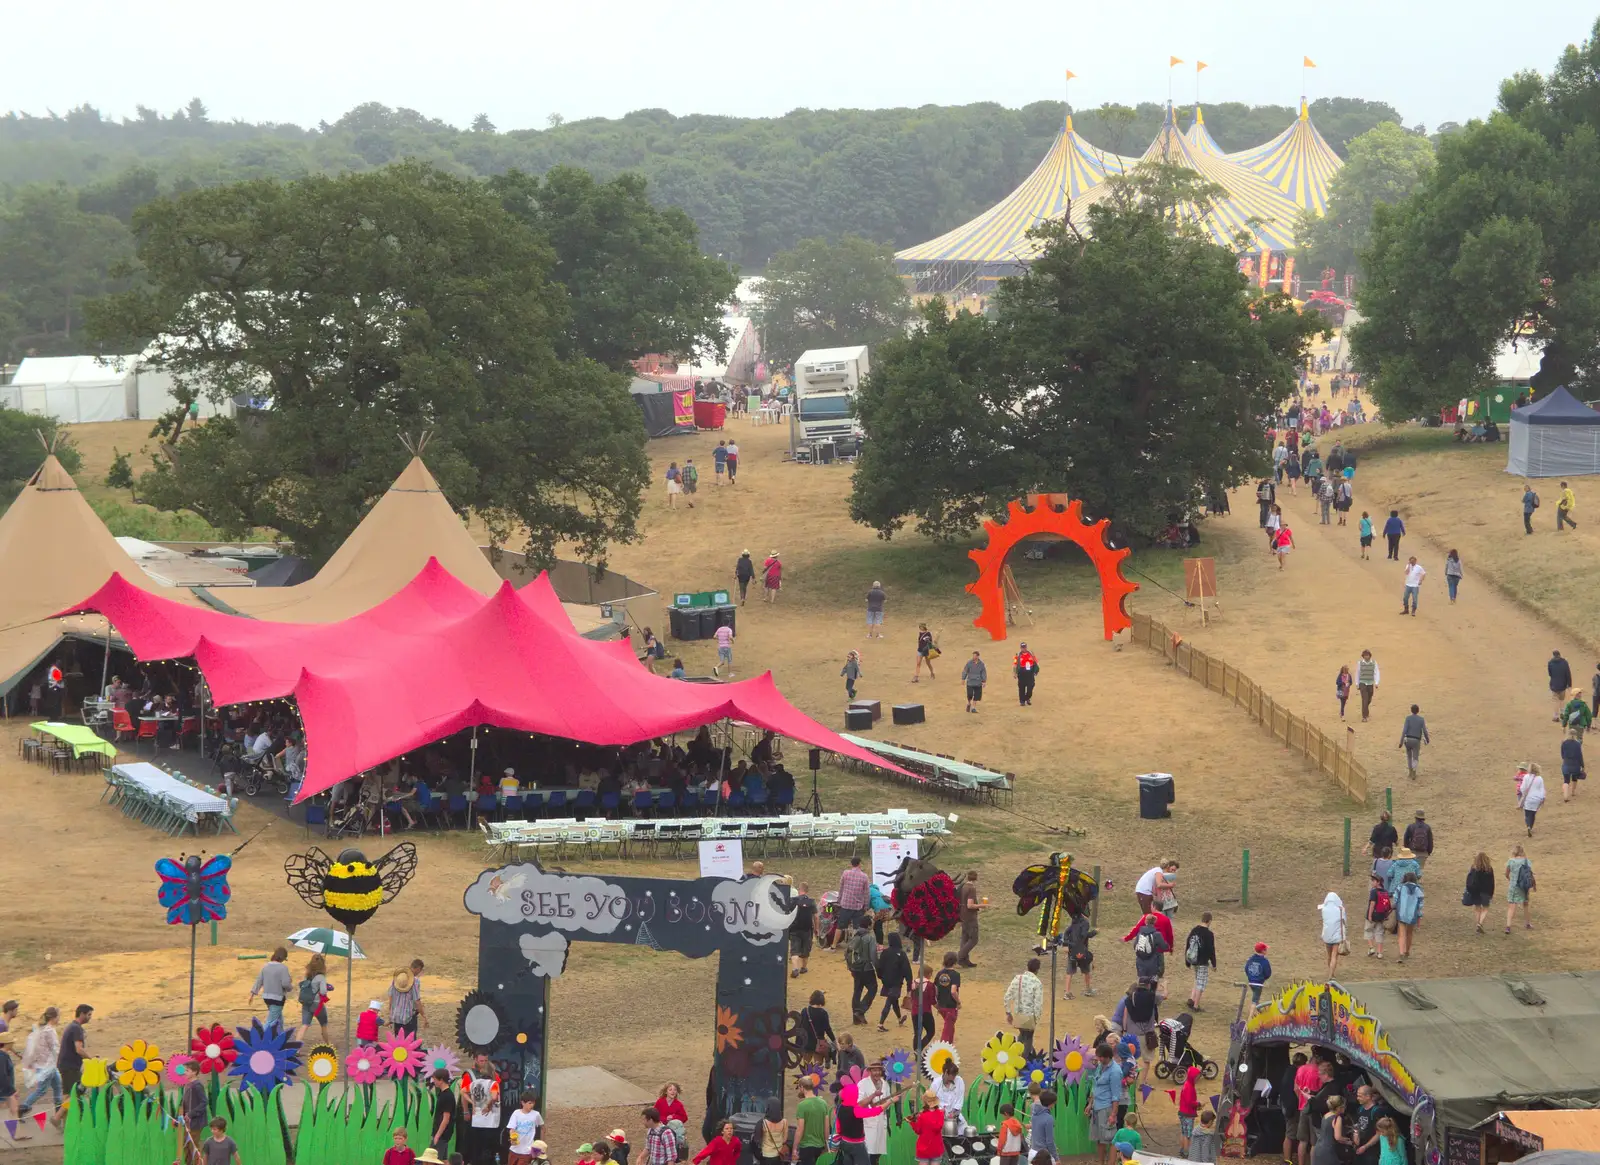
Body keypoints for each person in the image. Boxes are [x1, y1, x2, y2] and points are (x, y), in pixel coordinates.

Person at [1085, 1044, 1127, 1165]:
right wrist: (1090, 1104)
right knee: (1099, 1138)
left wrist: (1113, 1114)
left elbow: (1116, 1095)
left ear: (1107, 1056)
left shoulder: (1115, 1071)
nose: (1099, 1059)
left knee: (1110, 1138)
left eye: (1101, 1057)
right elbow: (1095, 1085)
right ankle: (1101, 1162)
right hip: (1096, 1106)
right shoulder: (1100, 1066)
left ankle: (1111, 1162)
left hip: (1107, 1108)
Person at [18, 1006, 61, 1117]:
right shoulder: (50, 1030)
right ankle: (23, 1108)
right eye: (58, 1016)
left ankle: (59, 1111)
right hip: (47, 1066)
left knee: (57, 1086)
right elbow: (55, 1048)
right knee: (42, 1090)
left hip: (45, 1065)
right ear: (53, 1017)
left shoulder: (41, 1029)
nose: (59, 1019)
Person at [460, 1053, 503, 1165]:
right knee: (488, 1148)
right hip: (490, 1121)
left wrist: (472, 1102)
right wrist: (488, 1105)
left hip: (477, 1120)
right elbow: (494, 1097)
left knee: (476, 1148)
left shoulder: (474, 1083)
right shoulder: (493, 1084)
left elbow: (463, 1091)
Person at [1003, 957, 1045, 1057]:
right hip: (1029, 1015)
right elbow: (1038, 1003)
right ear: (1037, 969)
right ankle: (1024, 1061)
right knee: (1028, 1038)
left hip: (1018, 1014)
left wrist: (1008, 1012)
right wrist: (1036, 1018)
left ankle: (1016, 1056)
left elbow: (1007, 996)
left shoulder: (1018, 978)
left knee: (1022, 1035)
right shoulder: (1037, 983)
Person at [876, 932, 912, 1032]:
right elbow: (907, 972)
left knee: (893, 1000)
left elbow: (879, 966)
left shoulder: (885, 952)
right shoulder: (901, 954)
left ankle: (900, 1019)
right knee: (889, 1002)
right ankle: (880, 1024)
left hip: (886, 981)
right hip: (896, 982)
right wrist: (909, 988)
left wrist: (881, 977)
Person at [248, 947, 293, 1028]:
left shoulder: (265, 966)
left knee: (278, 1018)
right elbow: (286, 984)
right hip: (278, 998)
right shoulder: (283, 968)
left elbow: (259, 981)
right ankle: (262, 1037)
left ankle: (281, 1036)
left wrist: (252, 994)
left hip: (266, 997)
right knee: (271, 1022)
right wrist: (290, 987)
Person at [846, 917, 879, 1025]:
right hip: (867, 968)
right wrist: (877, 968)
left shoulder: (854, 935)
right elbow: (873, 955)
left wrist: (850, 967)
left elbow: (848, 951)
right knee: (873, 988)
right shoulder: (870, 938)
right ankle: (860, 1011)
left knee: (857, 991)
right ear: (869, 925)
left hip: (855, 968)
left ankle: (856, 1018)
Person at [858, 1060, 892, 1164]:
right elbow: (859, 1104)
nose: (877, 1072)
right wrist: (872, 1098)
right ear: (870, 1071)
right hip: (868, 1122)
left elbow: (887, 1103)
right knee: (868, 1152)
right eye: (874, 1070)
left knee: (878, 1153)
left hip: (881, 1122)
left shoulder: (885, 1084)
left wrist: (887, 1103)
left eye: (879, 1070)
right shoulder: (863, 1084)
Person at [56, 1003, 90, 1098]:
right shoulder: (76, 1028)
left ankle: (63, 1113)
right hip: (70, 1067)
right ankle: (60, 1113)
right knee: (75, 1095)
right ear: (82, 1014)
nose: (90, 1018)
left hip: (66, 1065)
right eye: (89, 1015)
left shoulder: (73, 1026)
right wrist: (91, 1059)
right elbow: (79, 1049)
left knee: (68, 1095)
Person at [794, 1076, 830, 1165]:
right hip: (820, 1146)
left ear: (802, 1087)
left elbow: (800, 1129)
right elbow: (826, 1127)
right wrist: (826, 1144)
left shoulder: (802, 1105)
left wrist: (794, 1147)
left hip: (806, 1146)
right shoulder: (823, 1103)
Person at [1183, 912, 1216, 1011]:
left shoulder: (1194, 930)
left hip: (1193, 959)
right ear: (1209, 921)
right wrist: (1214, 964)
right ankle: (1196, 1006)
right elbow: (1211, 950)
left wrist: (1187, 961)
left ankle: (1191, 999)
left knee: (1197, 979)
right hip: (1202, 961)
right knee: (1201, 983)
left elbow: (1188, 944)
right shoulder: (1209, 934)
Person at [834, 856, 871, 945]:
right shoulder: (864, 876)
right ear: (859, 864)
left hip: (846, 904)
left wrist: (839, 901)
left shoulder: (845, 873)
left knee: (840, 926)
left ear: (851, 864)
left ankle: (833, 946)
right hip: (858, 907)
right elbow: (866, 893)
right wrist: (866, 906)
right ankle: (855, 946)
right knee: (857, 928)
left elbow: (841, 888)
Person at [1061, 911, 1096, 999]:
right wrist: (1093, 933)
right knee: (1086, 970)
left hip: (1072, 950)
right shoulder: (1085, 923)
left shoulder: (1074, 922)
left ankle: (1067, 992)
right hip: (1081, 951)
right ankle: (1088, 990)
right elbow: (1083, 935)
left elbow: (1066, 932)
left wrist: (1065, 944)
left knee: (1070, 971)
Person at [295, 953, 330, 1043]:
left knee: (304, 1025)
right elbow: (323, 992)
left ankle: (296, 1048)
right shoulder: (321, 977)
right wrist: (327, 987)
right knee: (323, 1025)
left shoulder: (307, 976)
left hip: (306, 1003)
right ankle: (328, 1044)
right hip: (317, 1004)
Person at [956, 871, 988, 966]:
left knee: (965, 938)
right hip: (970, 916)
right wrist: (982, 905)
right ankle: (960, 957)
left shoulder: (963, 886)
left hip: (962, 915)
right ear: (976, 878)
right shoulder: (971, 888)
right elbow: (970, 905)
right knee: (974, 939)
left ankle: (964, 960)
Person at [798, 991, 833, 1069]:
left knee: (806, 1066)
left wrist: (799, 1043)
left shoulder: (805, 1011)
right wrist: (834, 1041)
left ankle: (807, 1079)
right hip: (818, 1044)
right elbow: (828, 1029)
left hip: (806, 1043)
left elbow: (800, 1027)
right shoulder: (823, 1013)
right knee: (818, 1067)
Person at [1393, 873, 1423, 962]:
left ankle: (1401, 953)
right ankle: (1407, 951)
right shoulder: (1418, 889)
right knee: (1409, 933)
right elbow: (1420, 904)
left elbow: (1395, 899)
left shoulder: (1400, 887)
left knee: (1401, 934)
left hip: (1401, 913)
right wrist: (1419, 916)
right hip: (1412, 914)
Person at [1463, 853, 1496, 934]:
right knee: (1485, 908)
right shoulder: (1489, 869)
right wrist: (1491, 893)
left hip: (1475, 891)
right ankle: (1480, 923)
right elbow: (1492, 882)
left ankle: (1478, 924)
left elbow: (1469, 879)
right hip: (1486, 892)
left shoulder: (1474, 868)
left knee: (1477, 908)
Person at [507, 1091, 543, 1164]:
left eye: (533, 1103)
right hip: (514, 1149)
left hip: (528, 1151)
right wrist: (513, 1138)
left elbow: (543, 1128)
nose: (532, 1105)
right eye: (530, 1103)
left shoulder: (536, 1114)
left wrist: (541, 1143)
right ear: (523, 1103)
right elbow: (512, 1128)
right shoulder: (516, 1113)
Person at [1312, 1097, 1350, 1165]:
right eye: (1344, 1106)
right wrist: (1348, 1141)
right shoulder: (1337, 1118)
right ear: (1339, 1107)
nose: (1345, 1107)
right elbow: (1338, 1137)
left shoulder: (1326, 1115)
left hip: (1318, 1147)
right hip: (1328, 1150)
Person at [790, 882, 817, 978]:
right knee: (806, 950)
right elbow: (816, 916)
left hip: (794, 929)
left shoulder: (793, 901)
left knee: (794, 950)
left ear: (799, 889)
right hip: (807, 929)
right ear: (807, 890)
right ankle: (803, 968)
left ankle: (795, 969)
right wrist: (816, 928)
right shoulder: (811, 901)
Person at [912, 1091, 947, 1165]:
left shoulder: (922, 1115)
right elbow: (938, 1127)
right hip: (936, 1147)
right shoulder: (940, 1114)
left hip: (923, 1147)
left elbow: (918, 1130)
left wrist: (912, 1122)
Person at [1505, 845, 1535, 932]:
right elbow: (1529, 874)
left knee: (1511, 907)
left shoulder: (1511, 862)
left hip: (1513, 886)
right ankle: (1527, 923)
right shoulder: (1527, 861)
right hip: (1524, 886)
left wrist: (1510, 879)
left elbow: (1506, 874)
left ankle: (1508, 926)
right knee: (1525, 904)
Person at [934, 951, 962, 1042]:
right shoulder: (955, 975)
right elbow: (953, 991)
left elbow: (935, 989)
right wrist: (958, 1002)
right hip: (950, 1006)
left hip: (941, 1005)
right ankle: (944, 1048)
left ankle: (949, 1045)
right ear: (955, 962)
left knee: (950, 1026)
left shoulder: (939, 973)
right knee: (947, 1029)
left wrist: (937, 1002)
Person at [429, 1068, 457, 1157]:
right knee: (443, 1158)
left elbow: (446, 1118)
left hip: (442, 1134)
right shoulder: (442, 1093)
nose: (434, 1082)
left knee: (435, 1158)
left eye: (435, 1080)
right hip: (439, 1132)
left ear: (441, 1080)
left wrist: (437, 1135)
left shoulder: (447, 1096)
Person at [1318, 892, 1346, 978]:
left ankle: (1331, 973)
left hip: (1327, 935)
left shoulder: (1324, 909)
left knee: (1329, 956)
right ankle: (1331, 975)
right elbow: (1344, 922)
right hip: (1337, 936)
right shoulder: (1341, 909)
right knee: (1334, 956)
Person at [1363, 873, 1390, 960]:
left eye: (1373, 881)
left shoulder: (1374, 891)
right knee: (1379, 933)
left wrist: (1369, 915)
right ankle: (1380, 952)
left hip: (1373, 915)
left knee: (1368, 930)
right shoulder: (1385, 892)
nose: (1372, 882)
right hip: (1381, 916)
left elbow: (1372, 903)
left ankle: (1371, 948)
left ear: (1378, 882)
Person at [389, 968, 422, 1037]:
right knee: (410, 1040)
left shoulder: (395, 982)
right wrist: (423, 1015)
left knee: (398, 1040)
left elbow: (391, 999)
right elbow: (417, 1001)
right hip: (408, 1017)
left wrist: (391, 1014)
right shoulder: (414, 982)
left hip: (396, 1016)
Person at [757, 1097, 790, 1165]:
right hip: (779, 1155)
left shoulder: (763, 1122)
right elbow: (784, 1139)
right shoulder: (784, 1122)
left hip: (766, 1155)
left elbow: (758, 1139)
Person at [1398, 706, 1429, 777]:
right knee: (1415, 757)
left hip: (1408, 740)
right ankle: (1414, 771)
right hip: (1416, 740)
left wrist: (1401, 742)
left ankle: (1410, 771)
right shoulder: (1421, 719)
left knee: (1409, 756)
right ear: (1418, 711)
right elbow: (1424, 731)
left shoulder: (1408, 718)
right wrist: (1427, 739)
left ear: (1411, 710)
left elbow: (1404, 731)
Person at [909, 966, 936, 1049]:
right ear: (928, 974)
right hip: (925, 1012)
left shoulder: (913, 983)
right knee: (931, 1032)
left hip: (915, 1012)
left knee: (917, 1033)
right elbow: (932, 1000)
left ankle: (917, 1053)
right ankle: (919, 1049)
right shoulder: (930, 985)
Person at [1176, 1064, 1201, 1155]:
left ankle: (1182, 1150)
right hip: (1188, 1115)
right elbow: (1190, 1102)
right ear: (1192, 1077)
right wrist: (1198, 1104)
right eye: (1197, 1077)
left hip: (1183, 1113)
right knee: (1188, 1135)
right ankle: (1187, 1153)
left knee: (1183, 1132)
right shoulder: (1189, 1087)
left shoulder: (1187, 1085)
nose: (1198, 1079)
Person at [1517, 763, 1546, 836]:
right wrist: (1542, 797)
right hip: (1537, 799)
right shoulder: (1540, 778)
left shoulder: (1526, 777)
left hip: (1528, 798)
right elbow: (1542, 789)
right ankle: (1531, 827)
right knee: (1533, 814)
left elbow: (1523, 788)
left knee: (1527, 814)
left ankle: (1528, 826)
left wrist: (1523, 794)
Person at [1031, 1088, 1058, 1165]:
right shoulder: (1048, 1118)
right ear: (1051, 1103)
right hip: (1043, 1155)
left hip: (1033, 1151)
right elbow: (1050, 1141)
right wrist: (1056, 1157)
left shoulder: (1034, 1115)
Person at [1243, 942, 1271, 1008]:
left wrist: (1250, 977)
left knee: (1256, 998)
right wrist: (1263, 978)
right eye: (1265, 949)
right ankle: (1250, 1017)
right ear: (1263, 951)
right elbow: (1268, 973)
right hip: (1259, 984)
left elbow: (1246, 969)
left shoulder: (1250, 959)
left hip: (1251, 982)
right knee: (1255, 1001)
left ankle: (1259, 1011)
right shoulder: (1265, 961)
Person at [1355, 651, 1379, 722]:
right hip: (1362, 683)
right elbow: (1357, 673)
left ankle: (1365, 709)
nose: (1366, 657)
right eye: (1365, 655)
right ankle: (1364, 716)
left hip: (1370, 683)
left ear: (1370, 656)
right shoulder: (1360, 663)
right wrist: (1357, 683)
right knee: (1364, 699)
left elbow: (1376, 672)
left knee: (1369, 698)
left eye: (1367, 655)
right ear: (1363, 656)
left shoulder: (1374, 663)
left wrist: (1376, 682)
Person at [1562, 731, 1586, 801]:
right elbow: (1580, 756)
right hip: (1576, 764)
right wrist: (1582, 765)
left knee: (1566, 780)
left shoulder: (1564, 743)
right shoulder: (1578, 744)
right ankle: (1573, 792)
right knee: (1574, 778)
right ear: (1575, 735)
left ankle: (1565, 796)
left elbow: (1562, 754)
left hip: (1566, 763)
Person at [1549, 650, 1573, 716]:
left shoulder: (1550, 663)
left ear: (1553, 655)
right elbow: (1568, 674)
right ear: (1559, 655)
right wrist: (1569, 684)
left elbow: (1550, 674)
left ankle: (1555, 716)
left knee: (1555, 701)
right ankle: (1562, 713)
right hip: (1563, 685)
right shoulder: (1564, 662)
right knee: (1562, 700)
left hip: (1554, 685)